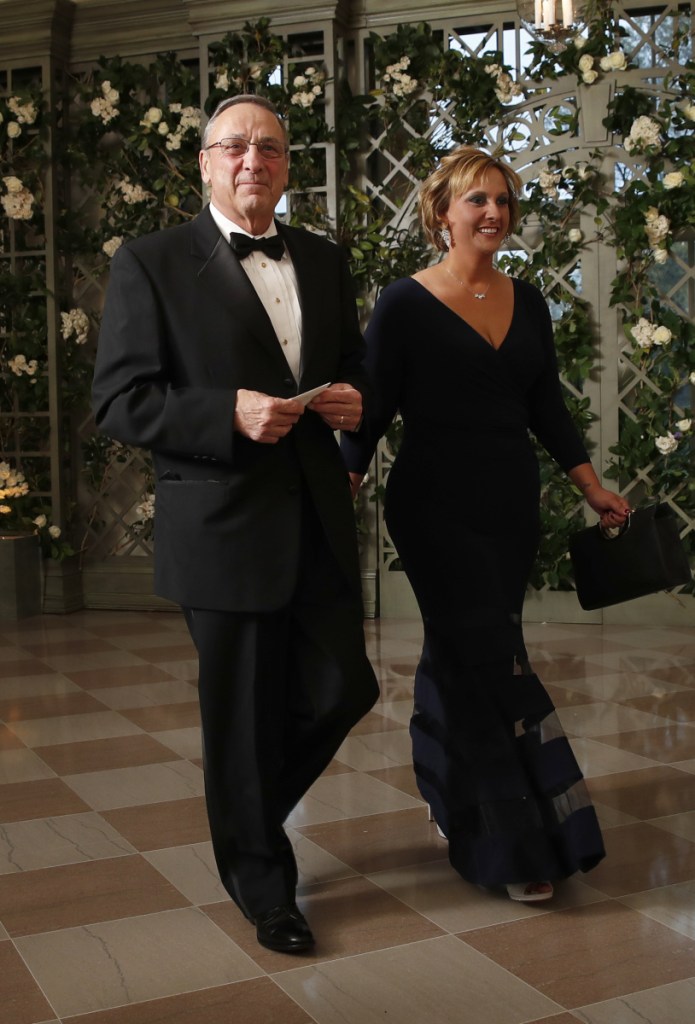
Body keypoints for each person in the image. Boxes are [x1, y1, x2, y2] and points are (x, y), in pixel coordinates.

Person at [92, 94, 378, 951]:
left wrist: (355, 402)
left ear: (287, 167)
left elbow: (353, 367)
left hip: (317, 519)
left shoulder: (326, 261)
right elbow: (119, 399)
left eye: (270, 149)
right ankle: (265, 887)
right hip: (221, 528)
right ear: (206, 163)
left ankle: (241, 811)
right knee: (243, 715)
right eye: (235, 147)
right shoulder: (148, 263)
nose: (253, 160)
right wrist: (228, 415)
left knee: (345, 687)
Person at [341, 145, 631, 903]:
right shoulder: (403, 303)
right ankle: (508, 842)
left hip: (510, 504)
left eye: (501, 200)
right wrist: (341, 477)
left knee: (465, 654)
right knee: (488, 658)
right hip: (433, 505)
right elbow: (369, 409)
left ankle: (447, 795)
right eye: (476, 200)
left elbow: (545, 408)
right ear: (441, 214)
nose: (492, 212)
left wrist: (590, 486)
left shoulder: (527, 300)